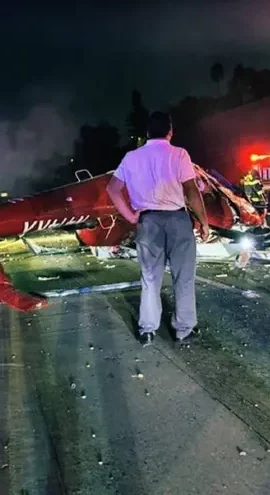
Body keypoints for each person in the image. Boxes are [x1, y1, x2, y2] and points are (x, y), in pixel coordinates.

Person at [106, 111, 209, 347]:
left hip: (148, 222)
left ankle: (148, 329)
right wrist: (203, 222)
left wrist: (131, 216)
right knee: (183, 277)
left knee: (150, 278)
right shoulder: (179, 154)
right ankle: (183, 329)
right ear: (170, 131)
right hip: (177, 220)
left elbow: (112, 189)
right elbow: (192, 191)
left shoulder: (131, 157)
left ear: (147, 133)